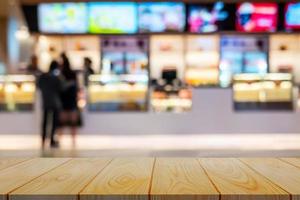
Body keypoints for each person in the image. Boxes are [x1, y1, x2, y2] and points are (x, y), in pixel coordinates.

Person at [37, 60, 63, 149]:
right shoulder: (56, 77)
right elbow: (61, 88)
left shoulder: (43, 76)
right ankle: (51, 140)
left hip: (45, 101)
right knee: (53, 123)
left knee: (45, 122)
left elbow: (39, 86)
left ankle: (43, 141)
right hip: (55, 102)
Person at [59, 53, 80, 147]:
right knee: (73, 122)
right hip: (72, 100)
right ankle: (73, 140)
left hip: (63, 100)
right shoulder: (73, 74)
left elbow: (59, 88)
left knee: (62, 121)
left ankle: (60, 139)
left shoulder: (60, 74)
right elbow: (77, 88)